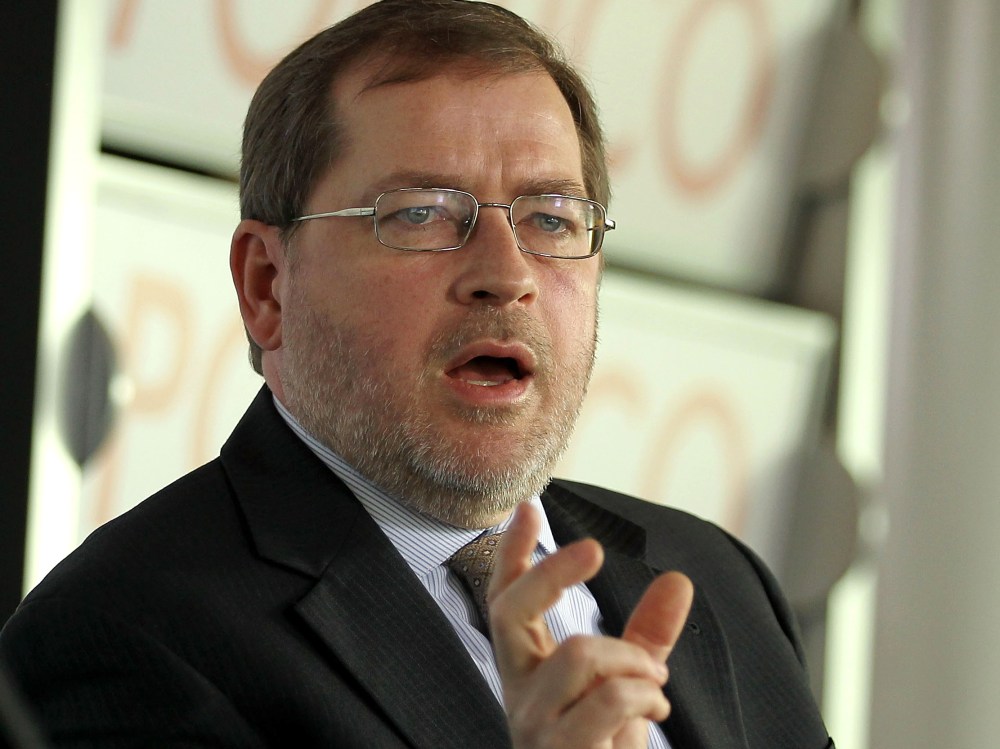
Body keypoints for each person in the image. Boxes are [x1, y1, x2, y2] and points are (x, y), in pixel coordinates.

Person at [0, 1, 834, 747]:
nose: (507, 274)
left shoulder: (718, 581)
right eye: (421, 214)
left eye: (551, 217)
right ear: (267, 285)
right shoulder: (121, 635)